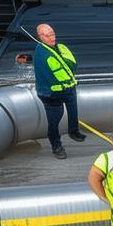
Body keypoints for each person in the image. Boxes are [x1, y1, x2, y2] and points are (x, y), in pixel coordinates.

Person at [33, 23, 85, 159]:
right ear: (40, 37)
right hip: (51, 94)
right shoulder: (41, 54)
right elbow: (55, 72)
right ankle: (56, 145)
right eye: (47, 35)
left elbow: (71, 66)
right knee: (55, 120)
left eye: (52, 34)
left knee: (73, 111)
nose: (52, 38)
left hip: (68, 88)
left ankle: (73, 131)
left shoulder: (58, 47)